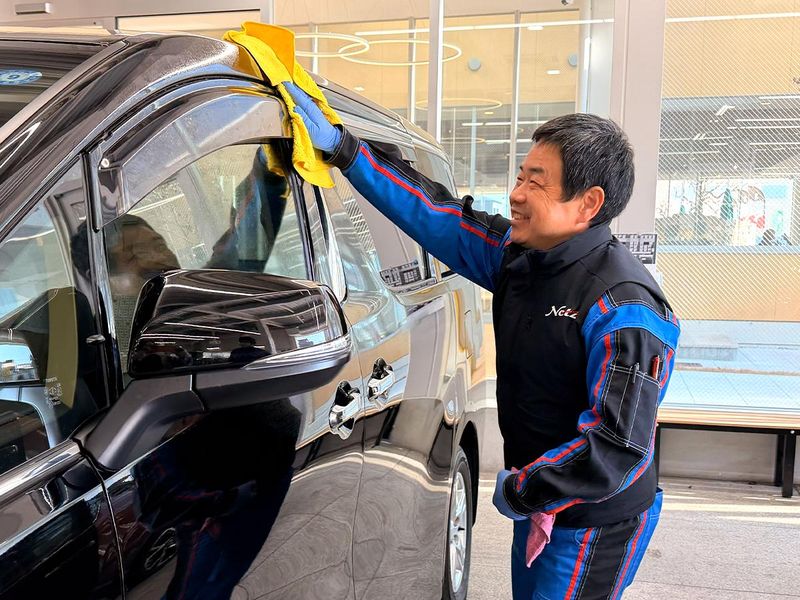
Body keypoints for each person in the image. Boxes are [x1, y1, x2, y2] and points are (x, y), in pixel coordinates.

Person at [287, 83, 680, 599]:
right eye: (520, 177)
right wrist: (345, 149)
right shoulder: (520, 256)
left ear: (588, 203)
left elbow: (616, 446)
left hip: (594, 522)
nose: (516, 194)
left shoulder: (625, 307)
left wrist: (524, 489)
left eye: (536, 182)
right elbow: (433, 212)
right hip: (542, 503)